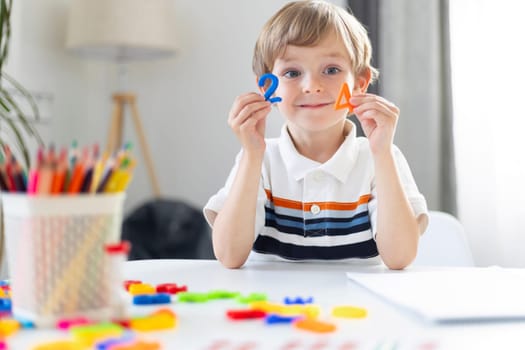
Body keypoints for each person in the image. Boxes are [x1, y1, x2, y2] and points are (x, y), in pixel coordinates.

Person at [204, 0, 428, 269]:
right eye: (292, 72)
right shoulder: (258, 158)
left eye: (331, 70)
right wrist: (252, 154)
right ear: (267, 87)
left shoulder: (381, 156)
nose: (311, 86)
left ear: (359, 83)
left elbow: (400, 257)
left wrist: (381, 153)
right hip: (272, 305)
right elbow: (229, 256)